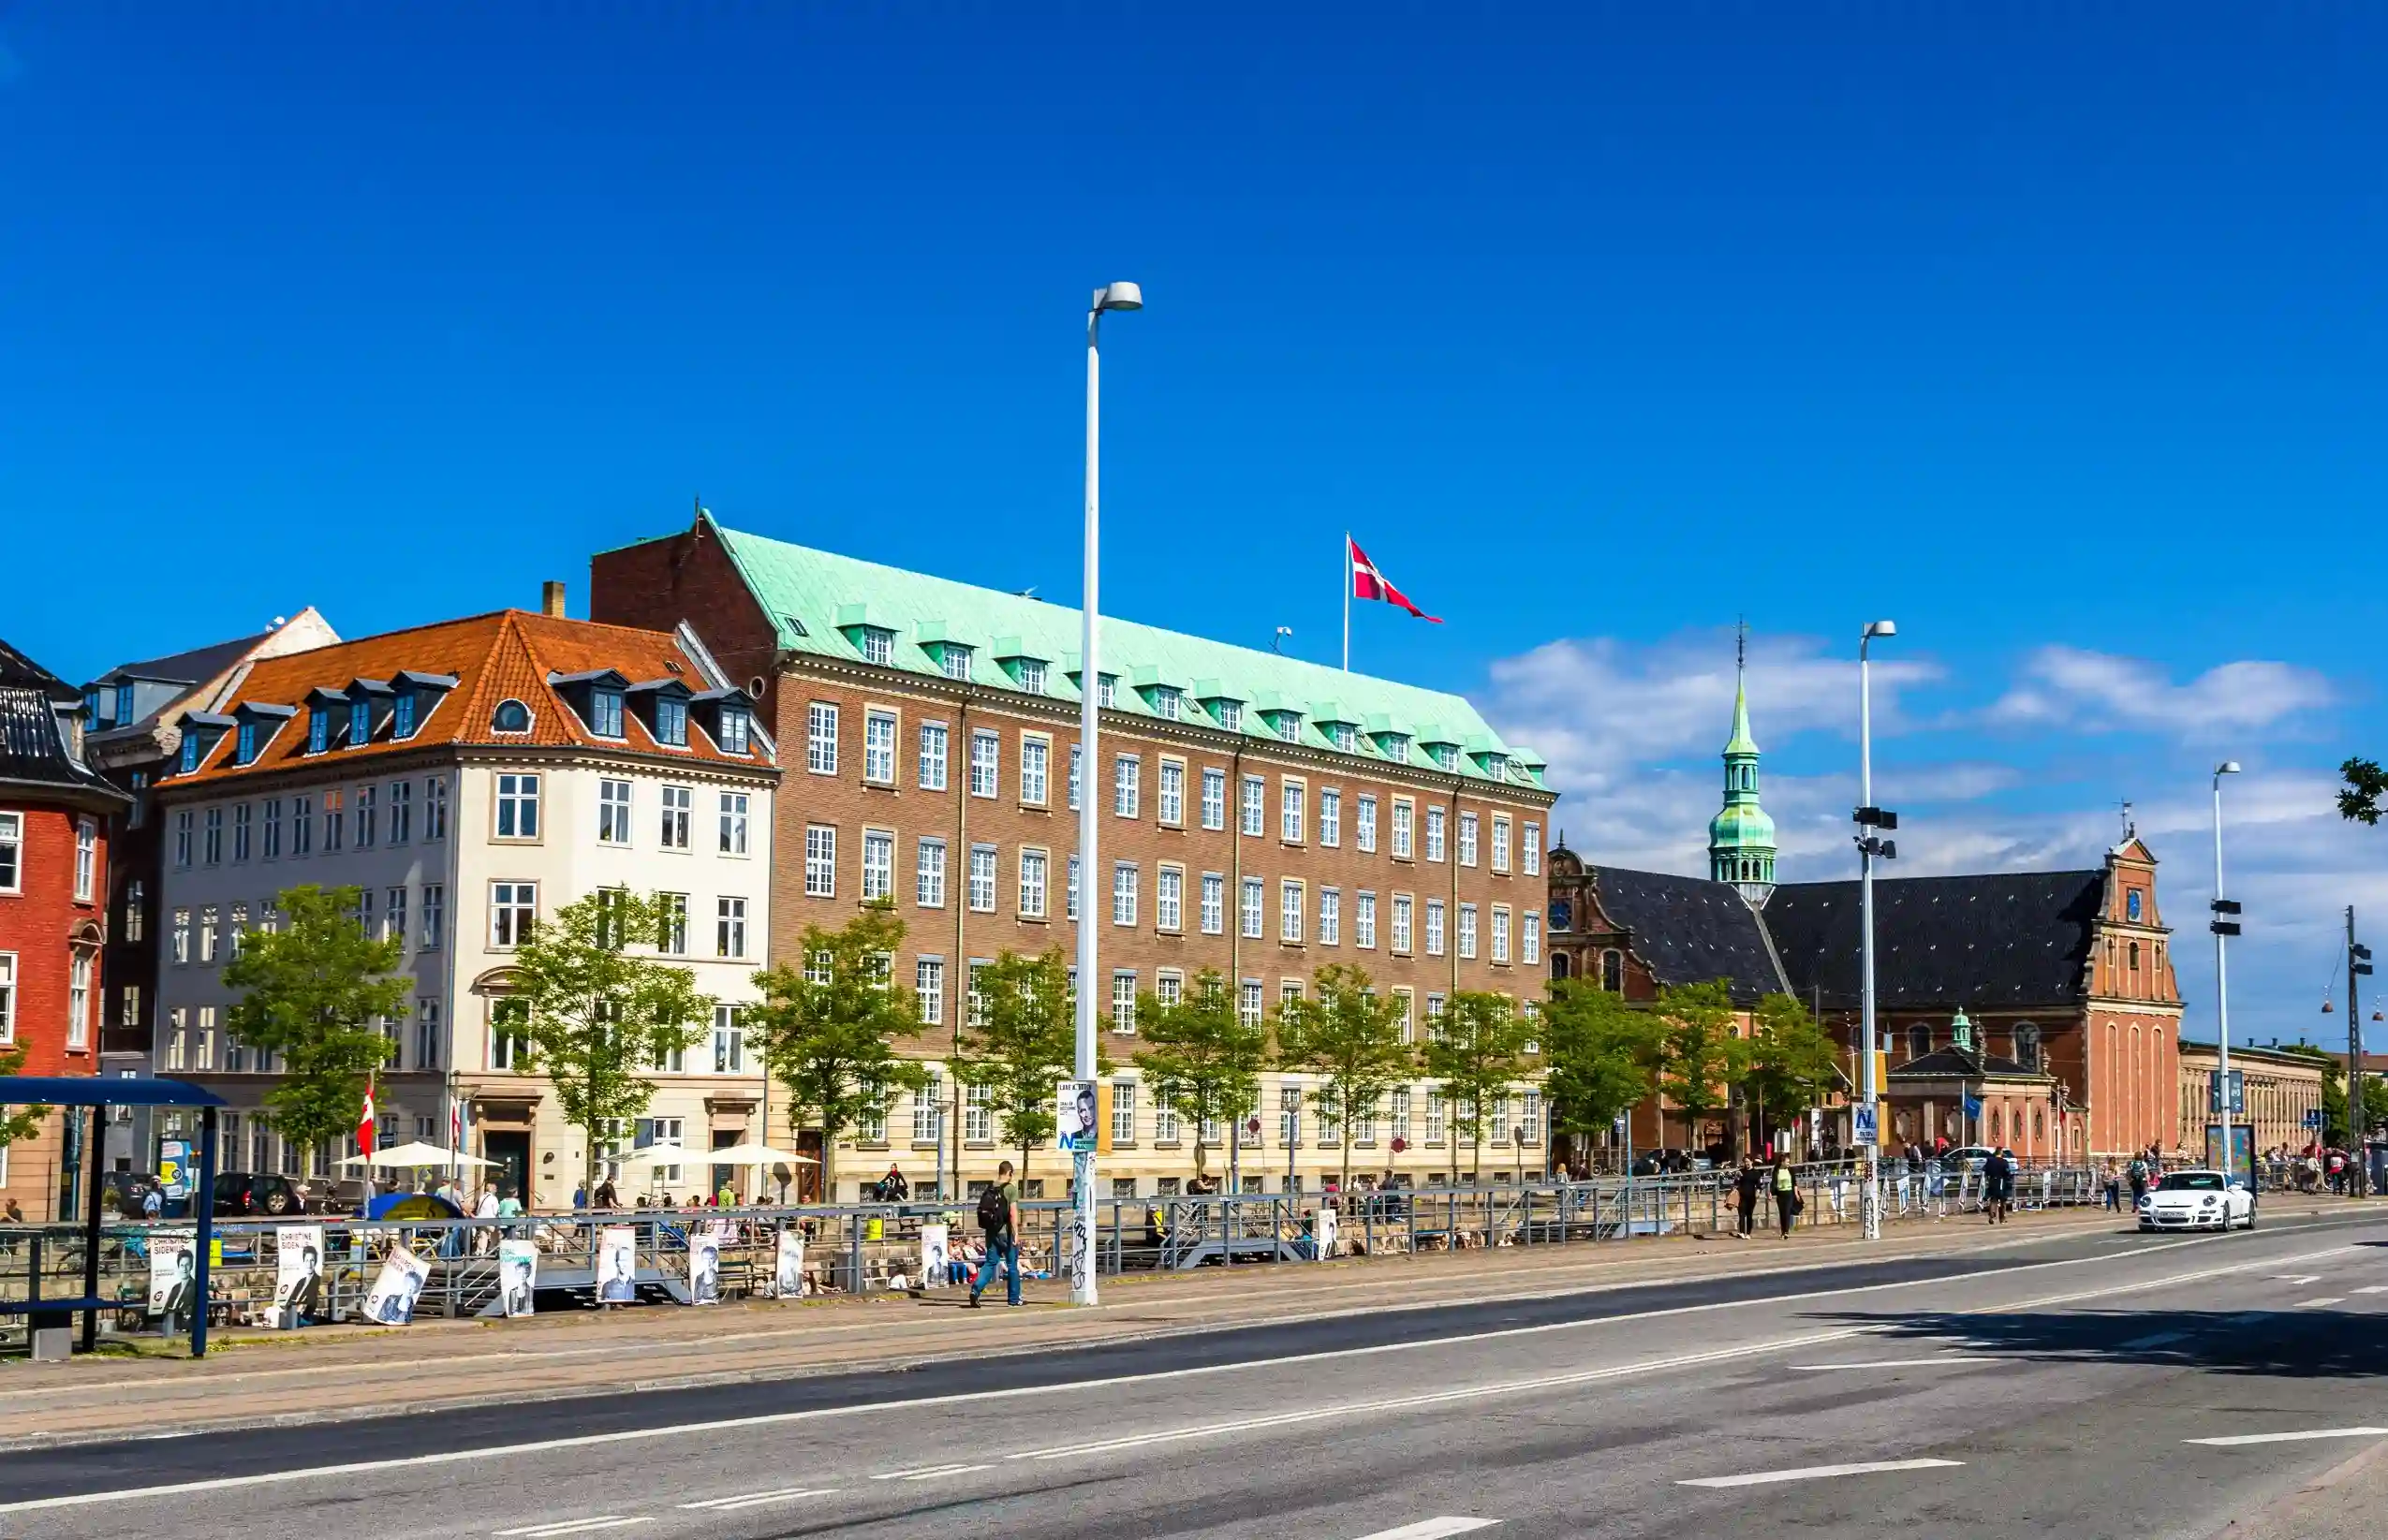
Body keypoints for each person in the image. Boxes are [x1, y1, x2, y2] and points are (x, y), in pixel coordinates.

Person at [967, 1159, 1023, 1308]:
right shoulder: (1010, 1188)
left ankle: (975, 1290)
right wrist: (1016, 1233)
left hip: (991, 1232)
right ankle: (1014, 1299)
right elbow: (1013, 1213)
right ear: (1009, 1172)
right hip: (1006, 1233)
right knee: (1012, 1265)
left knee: (990, 1263)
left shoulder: (990, 1188)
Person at [1983, 1147, 2014, 1225]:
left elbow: (1985, 1170)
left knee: (1993, 1199)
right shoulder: (2004, 1162)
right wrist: (2009, 1178)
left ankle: (1991, 1215)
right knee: (2003, 1200)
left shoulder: (1990, 1161)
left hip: (1992, 1180)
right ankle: (2002, 1218)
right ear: (2001, 1153)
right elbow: (2007, 1173)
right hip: (2001, 1181)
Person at [1771, 1154, 1799, 1239]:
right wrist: (1771, 1193)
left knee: (1787, 1212)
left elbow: (1794, 1183)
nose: (1788, 1164)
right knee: (1782, 1213)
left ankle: (1786, 1232)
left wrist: (1796, 1194)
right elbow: (1774, 1182)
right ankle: (1783, 1232)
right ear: (1782, 1162)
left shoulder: (1791, 1170)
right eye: (1787, 1162)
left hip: (1789, 1194)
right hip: (1780, 1194)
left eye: (1789, 1162)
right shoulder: (1776, 1170)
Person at [1733, 1160, 1762, 1239]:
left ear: (1752, 1162)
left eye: (1748, 1162)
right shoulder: (1741, 1172)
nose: (1747, 1163)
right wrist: (1736, 1180)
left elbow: (1759, 1184)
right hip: (1741, 1196)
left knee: (1749, 1215)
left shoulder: (1756, 1172)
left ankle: (1748, 1233)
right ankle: (1741, 1232)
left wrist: (1758, 1191)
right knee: (1741, 1214)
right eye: (1745, 1162)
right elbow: (1736, 1182)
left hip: (1751, 1196)